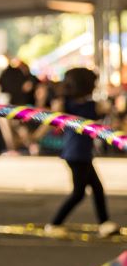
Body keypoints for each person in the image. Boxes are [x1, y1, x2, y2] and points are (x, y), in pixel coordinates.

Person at [45, 67, 119, 238]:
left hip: (81, 154)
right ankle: (54, 223)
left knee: (97, 189)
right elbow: (53, 118)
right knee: (79, 193)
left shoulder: (82, 105)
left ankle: (104, 223)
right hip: (76, 155)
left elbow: (108, 115)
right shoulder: (69, 105)